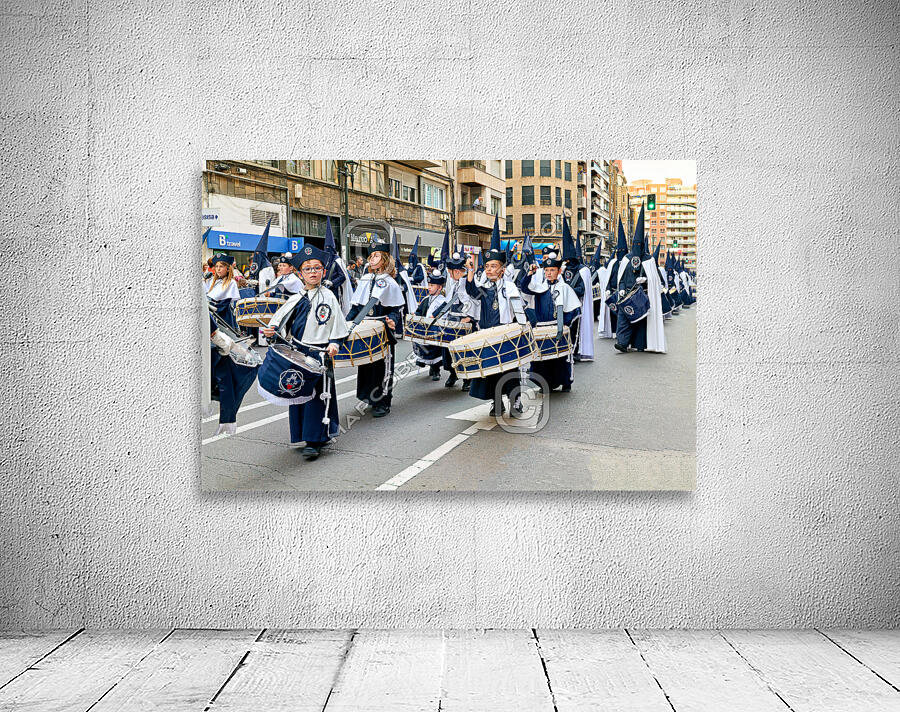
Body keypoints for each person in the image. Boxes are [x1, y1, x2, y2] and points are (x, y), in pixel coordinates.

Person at [260, 245, 350, 460]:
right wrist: (272, 331)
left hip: (320, 353)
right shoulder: (296, 297)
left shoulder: (329, 297)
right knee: (299, 394)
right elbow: (281, 323)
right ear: (300, 273)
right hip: (298, 352)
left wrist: (335, 342)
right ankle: (302, 433)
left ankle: (315, 440)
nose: (312, 272)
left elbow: (338, 326)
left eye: (316, 268)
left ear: (323, 272)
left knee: (318, 398)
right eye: (307, 269)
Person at [463, 216, 528, 416]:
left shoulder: (509, 287)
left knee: (509, 371)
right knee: (490, 371)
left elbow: (518, 310)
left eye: (493, 267)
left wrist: (522, 328)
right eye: (487, 267)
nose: (489, 270)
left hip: (505, 334)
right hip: (487, 334)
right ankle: (496, 402)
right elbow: (472, 292)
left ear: (501, 269)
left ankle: (516, 401)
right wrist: (470, 273)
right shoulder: (483, 288)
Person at [346, 241, 406, 417]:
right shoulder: (365, 279)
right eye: (371, 256)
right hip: (365, 327)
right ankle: (369, 396)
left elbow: (396, 309)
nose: (372, 259)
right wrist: (347, 323)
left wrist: (393, 320)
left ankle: (383, 401)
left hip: (382, 328)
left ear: (385, 259)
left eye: (377, 256)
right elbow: (357, 307)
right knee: (367, 364)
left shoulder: (390, 282)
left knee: (383, 367)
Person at [206, 254, 258, 436]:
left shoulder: (231, 284)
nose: (218, 269)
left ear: (228, 268)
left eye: (222, 266)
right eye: (216, 266)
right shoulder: (210, 282)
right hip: (210, 318)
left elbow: (222, 304)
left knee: (222, 358)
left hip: (221, 321)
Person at [518, 249, 581, 392]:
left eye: (552, 270)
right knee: (543, 359)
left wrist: (565, 324)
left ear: (559, 271)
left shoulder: (564, 288)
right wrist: (529, 274)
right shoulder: (540, 287)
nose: (549, 273)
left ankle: (565, 382)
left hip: (559, 328)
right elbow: (525, 287)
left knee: (560, 358)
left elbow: (573, 309)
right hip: (542, 328)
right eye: (546, 270)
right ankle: (545, 383)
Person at [613, 207, 666, 354]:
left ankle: (640, 344)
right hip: (627, 295)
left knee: (641, 322)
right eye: (634, 244)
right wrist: (622, 287)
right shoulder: (626, 259)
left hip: (642, 296)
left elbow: (654, 281)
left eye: (639, 245)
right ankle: (622, 342)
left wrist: (647, 280)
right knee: (623, 318)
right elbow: (621, 278)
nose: (636, 247)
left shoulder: (649, 260)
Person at [439, 251, 477, 390]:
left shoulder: (468, 282)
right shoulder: (455, 284)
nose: (449, 275)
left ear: (456, 271)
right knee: (449, 351)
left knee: (464, 351)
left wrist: (469, 317)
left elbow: (475, 300)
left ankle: (467, 379)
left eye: (450, 272)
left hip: (465, 322)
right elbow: (448, 302)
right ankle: (453, 373)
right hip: (453, 321)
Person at [411, 269, 448, 381]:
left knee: (434, 350)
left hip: (435, 330)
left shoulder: (443, 301)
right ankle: (430, 366)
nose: (429, 287)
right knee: (422, 346)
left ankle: (436, 370)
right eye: (429, 285)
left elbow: (443, 315)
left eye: (432, 285)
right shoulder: (426, 299)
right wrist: (415, 315)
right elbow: (419, 311)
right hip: (424, 329)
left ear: (440, 287)